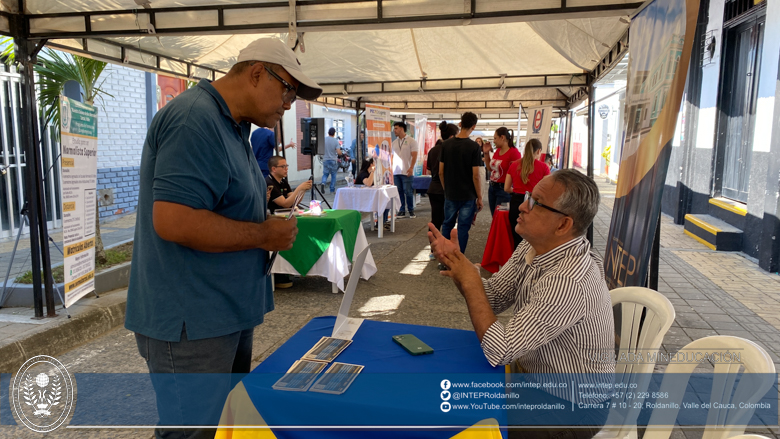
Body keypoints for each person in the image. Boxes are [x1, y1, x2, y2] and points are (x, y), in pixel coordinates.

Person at [125, 37, 322, 438]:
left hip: (221, 314)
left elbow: (222, 205)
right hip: (192, 322)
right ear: (255, 73)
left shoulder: (232, 127)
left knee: (221, 428)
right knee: (191, 432)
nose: (289, 103)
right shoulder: (194, 120)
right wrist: (262, 233)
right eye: (288, 90)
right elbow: (174, 221)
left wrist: (265, 225)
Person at [429, 169, 614, 439]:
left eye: (536, 203)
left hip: (572, 406)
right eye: (528, 196)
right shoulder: (534, 246)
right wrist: (459, 265)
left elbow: (500, 350)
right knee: (445, 399)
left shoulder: (568, 280)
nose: (523, 206)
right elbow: (491, 297)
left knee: (464, 424)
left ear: (563, 225)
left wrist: (469, 279)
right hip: (533, 382)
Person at [439, 112, 483, 255]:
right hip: (468, 195)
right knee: (463, 227)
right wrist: (480, 196)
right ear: (473, 126)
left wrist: (446, 188)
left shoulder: (445, 145)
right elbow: (475, 175)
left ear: (460, 123)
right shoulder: (474, 147)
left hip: (451, 193)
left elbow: (440, 172)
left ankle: (445, 257)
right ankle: (459, 258)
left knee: (447, 224)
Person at [505, 138, 550, 249]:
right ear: (539, 151)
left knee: (517, 238)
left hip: (516, 203)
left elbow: (506, 188)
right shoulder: (544, 167)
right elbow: (548, 190)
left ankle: (517, 263)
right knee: (533, 239)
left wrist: (517, 190)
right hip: (534, 204)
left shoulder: (514, 165)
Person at [427, 121, 458, 232]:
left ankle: (433, 246)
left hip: (433, 188)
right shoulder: (451, 150)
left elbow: (429, 169)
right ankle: (445, 246)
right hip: (446, 189)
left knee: (435, 219)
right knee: (448, 220)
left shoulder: (432, 150)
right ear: (451, 136)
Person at [486, 127, 521, 216]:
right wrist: (486, 153)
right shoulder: (498, 151)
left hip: (503, 189)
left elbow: (517, 174)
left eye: (495, 138)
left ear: (502, 137)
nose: (494, 141)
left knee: (500, 217)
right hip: (492, 187)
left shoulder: (514, 153)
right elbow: (491, 169)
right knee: (494, 217)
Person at [392, 121, 418, 218]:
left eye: (396, 128)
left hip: (407, 170)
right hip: (396, 172)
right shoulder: (394, 142)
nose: (394, 130)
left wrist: (411, 168)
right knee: (399, 192)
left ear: (402, 129)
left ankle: (411, 210)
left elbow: (414, 155)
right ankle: (402, 210)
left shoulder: (411, 141)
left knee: (408, 191)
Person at [356, 158, 390, 230]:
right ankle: (379, 224)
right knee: (383, 202)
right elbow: (368, 183)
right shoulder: (363, 174)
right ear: (371, 165)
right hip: (363, 198)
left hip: (368, 196)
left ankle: (383, 221)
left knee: (386, 201)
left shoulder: (368, 173)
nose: (375, 165)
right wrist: (372, 171)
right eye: (374, 163)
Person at [321, 127, 341, 193]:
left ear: (328, 132)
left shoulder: (324, 140)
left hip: (325, 159)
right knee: (333, 175)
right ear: (334, 133)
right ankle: (332, 190)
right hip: (333, 160)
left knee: (325, 174)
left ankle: (323, 182)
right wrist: (341, 154)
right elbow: (338, 152)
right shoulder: (335, 141)